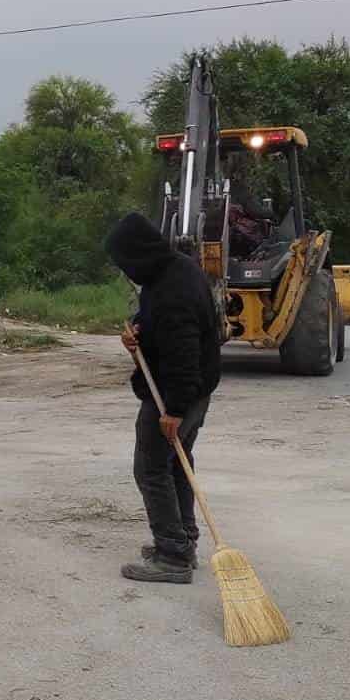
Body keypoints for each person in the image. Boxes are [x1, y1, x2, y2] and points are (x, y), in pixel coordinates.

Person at [104, 212, 221, 584]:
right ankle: (183, 542)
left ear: (137, 254)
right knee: (177, 465)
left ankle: (172, 555)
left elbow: (183, 354)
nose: (125, 272)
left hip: (176, 393)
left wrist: (173, 410)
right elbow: (154, 321)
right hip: (194, 391)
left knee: (152, 469)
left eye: (124, 263)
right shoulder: (175, 270)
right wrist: (138, 332)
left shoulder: (173, 292)